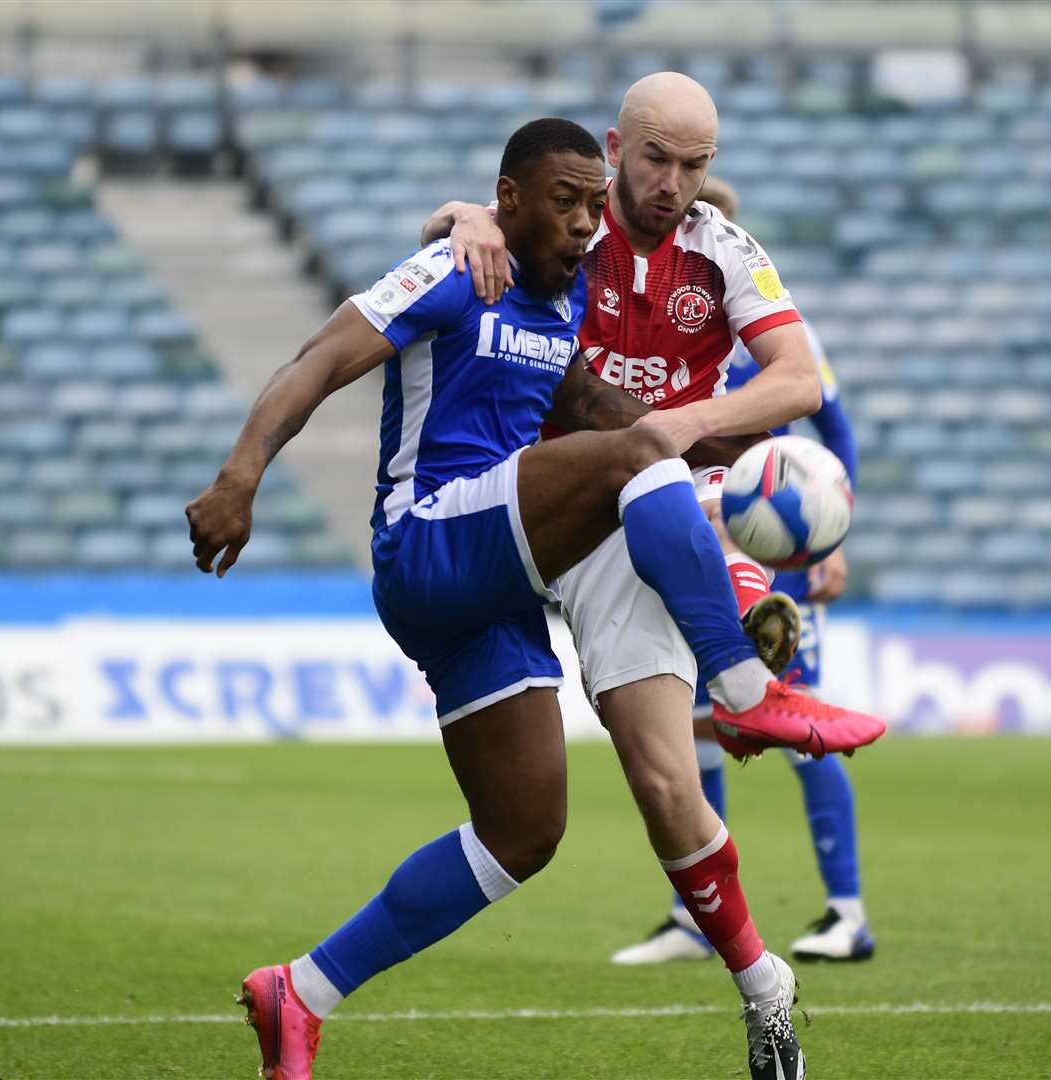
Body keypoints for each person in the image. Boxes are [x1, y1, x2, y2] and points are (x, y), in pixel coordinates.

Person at [186, 119, 885, 1080]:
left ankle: (300, 993)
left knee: (523, 834)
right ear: (508, 201)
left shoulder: (563, 315)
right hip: (430, 535)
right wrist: (240, 475)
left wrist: (754, 467)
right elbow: (317, 359)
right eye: (566, 202)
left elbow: (621, 420)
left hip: (490, 591)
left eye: (595, 207)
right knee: (643, 464)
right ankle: (739, 681)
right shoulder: (453, 269)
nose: (587, 224)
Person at [611, 176, 877, 967]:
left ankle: (847, 911)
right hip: (695, 537)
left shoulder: (773, 327)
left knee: (796, 724)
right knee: (690, 718)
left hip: (772, 543)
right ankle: (694, 914)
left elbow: (834, 429)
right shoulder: (655, 325)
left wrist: (827, 542)